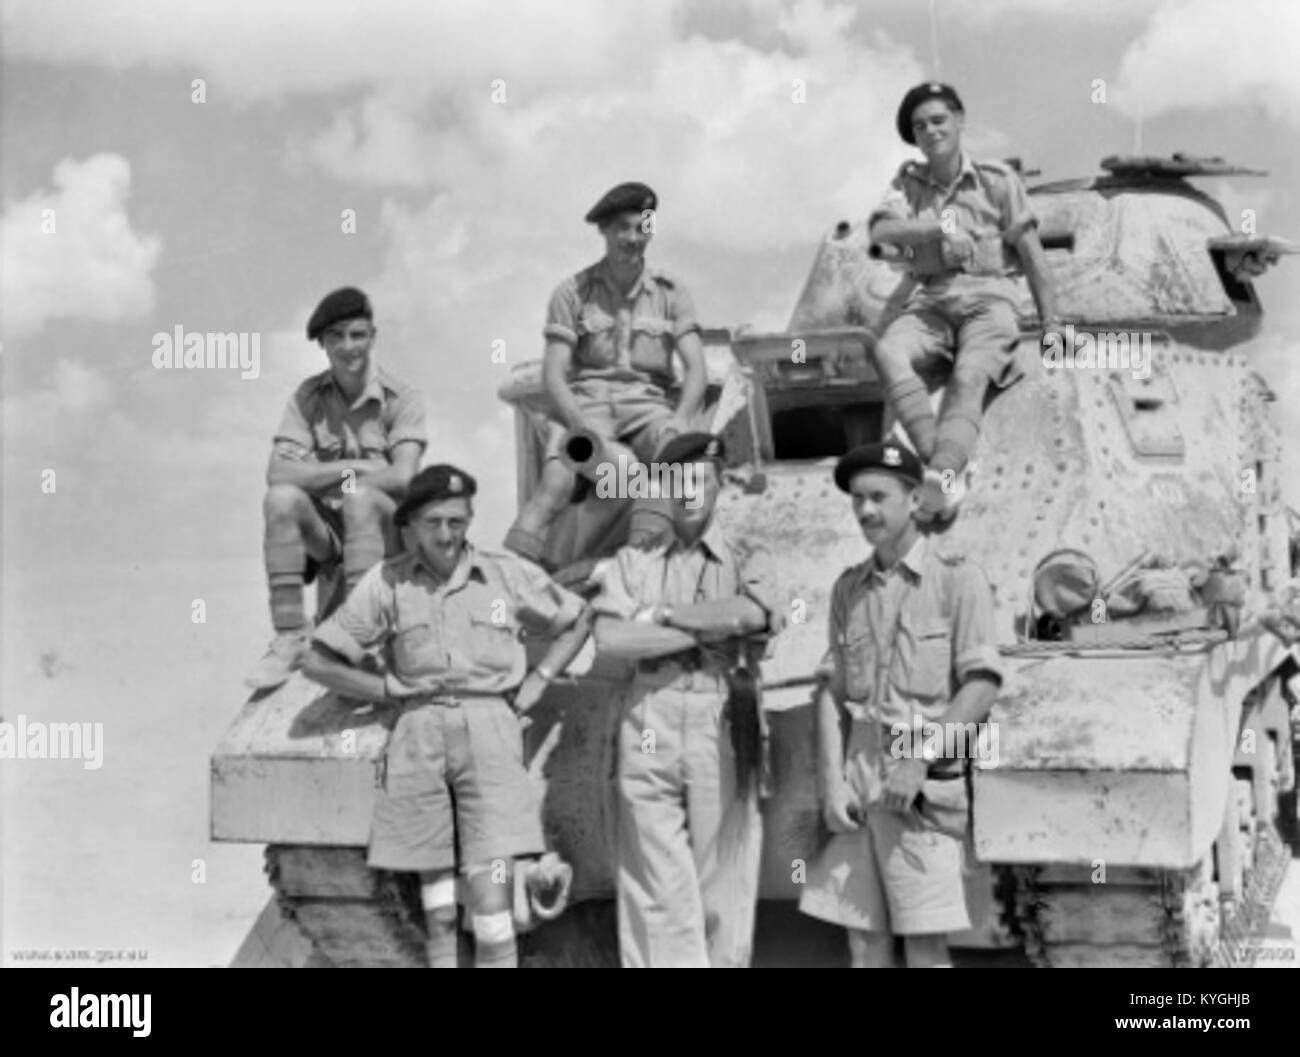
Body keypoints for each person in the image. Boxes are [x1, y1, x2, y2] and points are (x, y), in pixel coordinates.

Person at [301, 464, 591, 968]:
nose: (446, 534)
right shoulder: (388, 582)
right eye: (434, 522)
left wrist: (540, 677)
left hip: (491, 732)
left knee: (491, 899)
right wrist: (386, 687)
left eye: (457, 521)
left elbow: (577, 617)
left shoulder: (503, 573)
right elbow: (318, 660)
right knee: (434, 910)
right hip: (418, 735)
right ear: (411, 526)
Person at [798, 442, 1003, 967]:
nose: (866, 510)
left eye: (879, 497)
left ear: (914, 500)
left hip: (922, 794)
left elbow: (979, 685)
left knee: (924, 944)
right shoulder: (850, 588)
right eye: (858, 499)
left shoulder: (959, 580)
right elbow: (832, 690)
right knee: (865, 943)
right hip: (861, 784)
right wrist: (831, 781)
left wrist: (918, 758)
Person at [591, 432, 784, 967]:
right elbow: (612, 640)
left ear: (719, 482)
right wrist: (710, 628)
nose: (691, 491)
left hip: (721, 714)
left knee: (724, 878)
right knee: (654, 888)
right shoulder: (634, 561)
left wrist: (663, 616)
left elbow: (753, 614)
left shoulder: (748, 553)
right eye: (679, 480)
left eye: (701, 479)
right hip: (647, 714)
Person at [869, 82, 1060, 521]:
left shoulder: (996, 182)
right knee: (887, 354)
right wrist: (938, 229)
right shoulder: (908, 184)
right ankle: (945, 459)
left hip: (989, 301)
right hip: (931, 301)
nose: (931, 131)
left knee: (970, 374)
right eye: (920, 126)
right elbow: (882, 232)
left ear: (959, 121)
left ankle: (942, 472)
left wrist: (1053, 325)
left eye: (938, 120)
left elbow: (1031, 254)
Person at [503, 182, 708, 568]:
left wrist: (681, 422)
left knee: (683, 474)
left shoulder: (672, 292)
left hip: (648, 407)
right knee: (554, 485)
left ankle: (651, 574)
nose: (633, 238)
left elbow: (696, 368)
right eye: (623, 228)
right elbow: (553, 375)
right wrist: (583, 428)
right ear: (605, 232)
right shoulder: (573, 293)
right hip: (586, 405)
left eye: (642, 227)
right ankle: (512, 587)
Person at [248, 287, 426, 690]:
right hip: (331, 539)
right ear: (323, 344)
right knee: (281, 500)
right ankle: (290, 636)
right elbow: (278, 474)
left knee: (360, 499)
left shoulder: (403, 398)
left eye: (358, 334)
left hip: (389, 537)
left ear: (373, 337)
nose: (348, 347)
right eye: (337, 336)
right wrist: (359, 466)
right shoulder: (309, 398)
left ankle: (359, 640)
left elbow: (403, 478)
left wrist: (331, 478)